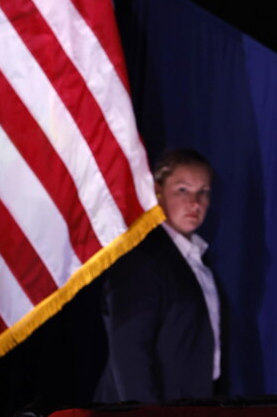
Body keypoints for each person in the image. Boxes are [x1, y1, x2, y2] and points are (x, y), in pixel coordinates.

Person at [95, 148, 221, 403]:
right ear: (158, 192)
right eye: (183, 190)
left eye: (203, 192)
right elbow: (130, 353)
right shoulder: (141, 259)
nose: (195, 203)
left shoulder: (199, 260)